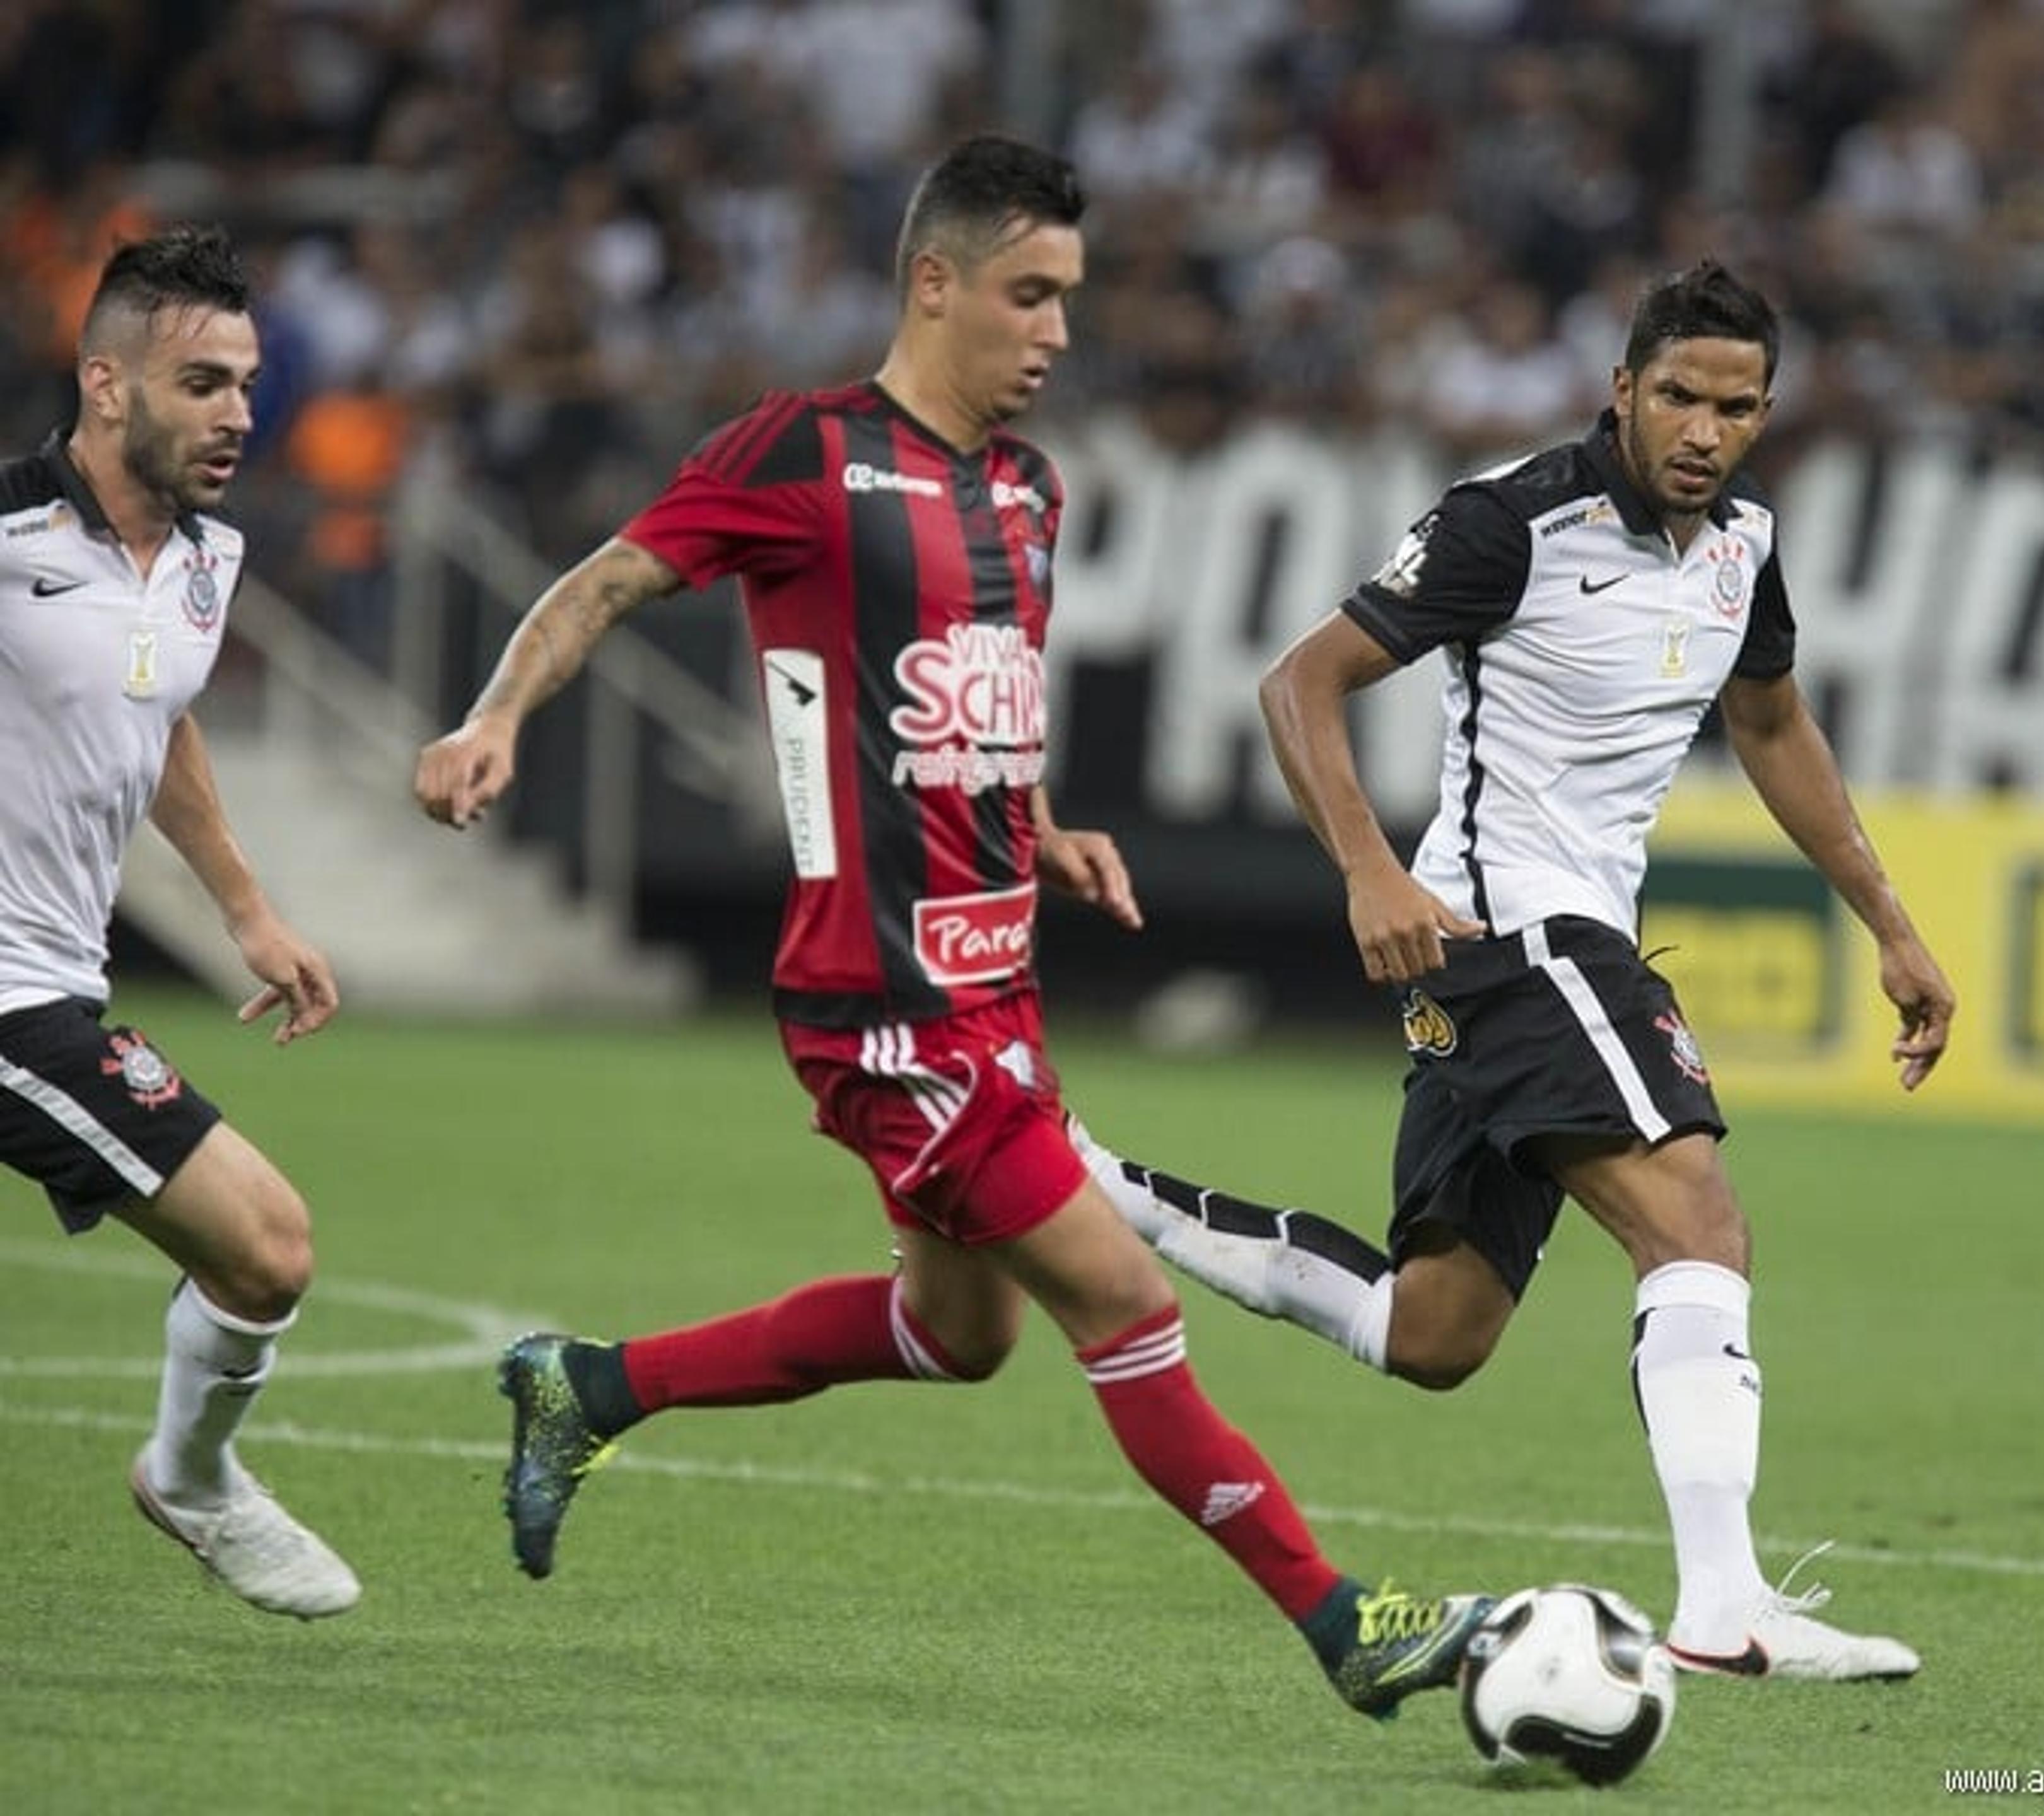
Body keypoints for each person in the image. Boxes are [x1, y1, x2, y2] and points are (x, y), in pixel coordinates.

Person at [411, 135, 1489, 1723]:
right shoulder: (802, 453)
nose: (1057, 332)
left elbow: (983, 700)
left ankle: (586, 1387)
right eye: (1028, 294)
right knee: (1124, 1301)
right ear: (934, 283)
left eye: (1070, 299)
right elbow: (604, 584)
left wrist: (1040, 825)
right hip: (883, 1000)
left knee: (954, 1332)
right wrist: (493, 715)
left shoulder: (1029, 491)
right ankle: (1347, 1625)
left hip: (998, 989)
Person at [1077, 260, 1957, 1680]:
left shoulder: (1742, 545)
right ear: (1622, 389)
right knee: (1700, 1228)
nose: (1702, 431)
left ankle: (1099, 1194)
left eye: (1736, 408)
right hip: (1519, 934)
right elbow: (1298, 682)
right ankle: (1726, 1604)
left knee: (1433, 1330)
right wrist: (1369, 866)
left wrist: (1893, 925)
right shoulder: (1512, 523)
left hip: (1522, 950)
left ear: (1767, 415)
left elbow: (1777, 727)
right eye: (1677, 395)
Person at [0, 225, 358, 1619]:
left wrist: (249, 914)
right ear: (106, 385)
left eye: (247, 383)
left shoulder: (210, 560)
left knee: (264, 1255)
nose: (238, 414)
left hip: (52, 991)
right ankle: (196, 1483)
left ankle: (189, 1477)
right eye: (202, 382)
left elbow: (161, 723)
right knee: (267, 1246)